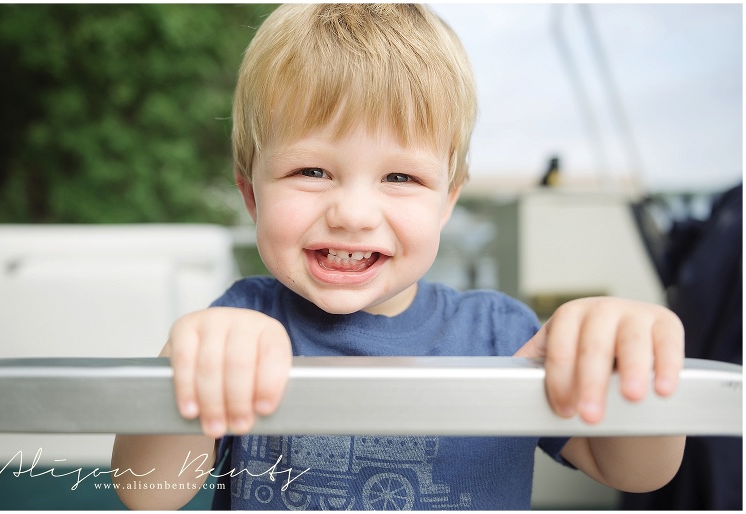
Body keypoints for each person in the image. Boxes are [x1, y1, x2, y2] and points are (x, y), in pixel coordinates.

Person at [111, 4, 685, 510]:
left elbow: (635, 471)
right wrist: (181, 370)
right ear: (251, 194)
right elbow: (146, 492)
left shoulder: (501, 337)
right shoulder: (243, 323)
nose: (354, 213)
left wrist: (633, 360)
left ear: (447, 202)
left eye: (400, 176)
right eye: (311, 171)